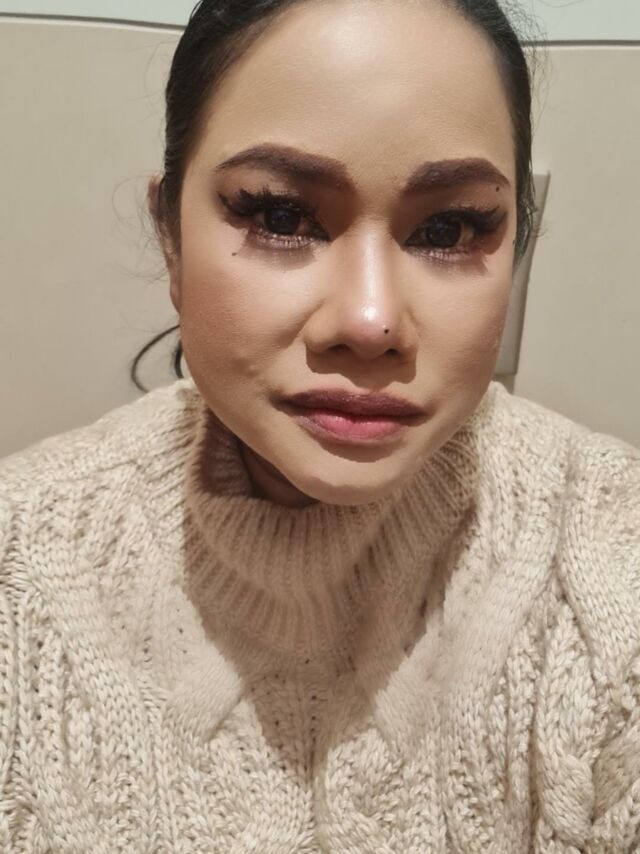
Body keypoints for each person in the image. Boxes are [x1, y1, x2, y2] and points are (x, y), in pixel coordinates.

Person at [1, 0, 639, 850]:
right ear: (170, 240)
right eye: (280, 216)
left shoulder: (612, 559)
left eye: (448, 229)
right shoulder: (20, 566)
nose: (370, 322)